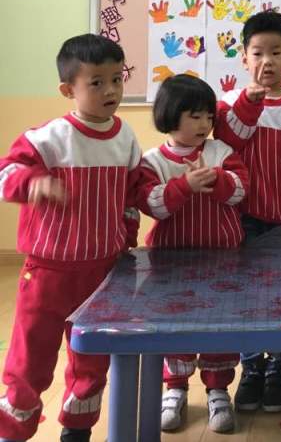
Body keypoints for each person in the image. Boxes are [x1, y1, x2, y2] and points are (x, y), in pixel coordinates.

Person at [0, 34, 142, 442]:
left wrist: (126, 238)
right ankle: (13, 431)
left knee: (91, 361)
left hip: (102, 274)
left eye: (116, 79)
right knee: (30, 359)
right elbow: (6, 173)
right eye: (97, 82)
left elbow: (131, 198)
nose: (111, 90)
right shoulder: (48, 138)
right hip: (47, 274)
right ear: (68, 90)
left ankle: (77, 429)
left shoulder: (126, 138)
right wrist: (33, 182)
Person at [214, 11, 281, 414]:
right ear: (244, 58)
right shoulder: (228, 104)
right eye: (258, 53)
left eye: (276, 52)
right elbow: (227, 141)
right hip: (238, 219)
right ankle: (252, 366)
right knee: (245, 296)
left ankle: (278, 366)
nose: (267, 61)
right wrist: (249, 102)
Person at [137, 74, 249, 434]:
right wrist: (184, 185)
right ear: (170, 116)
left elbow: (240, 191)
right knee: (175, 326)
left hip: (222, 260)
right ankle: (175, 388)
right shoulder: (152, 160)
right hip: (171, 264)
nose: (204, 124)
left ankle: (218, 390)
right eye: (195, 116)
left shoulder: (221, 152)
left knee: (220, 327)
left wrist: (216, 180)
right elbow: (152, 205)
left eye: (208, 117)